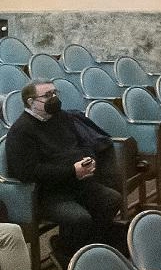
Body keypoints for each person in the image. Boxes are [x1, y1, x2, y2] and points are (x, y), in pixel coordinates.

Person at [4, 81, 122, 269]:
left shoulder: (61, 117)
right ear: (31, 102)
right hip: (49, 194)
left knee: (112, 200)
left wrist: (89, 160)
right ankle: (67, 254)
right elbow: (27, 172)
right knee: (79, 218)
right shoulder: (21, 131)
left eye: (54, 93)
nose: (54, 98)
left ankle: (85, 250)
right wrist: (71, 171)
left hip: (78, 183)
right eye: (47, 95)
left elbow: (84, 143)